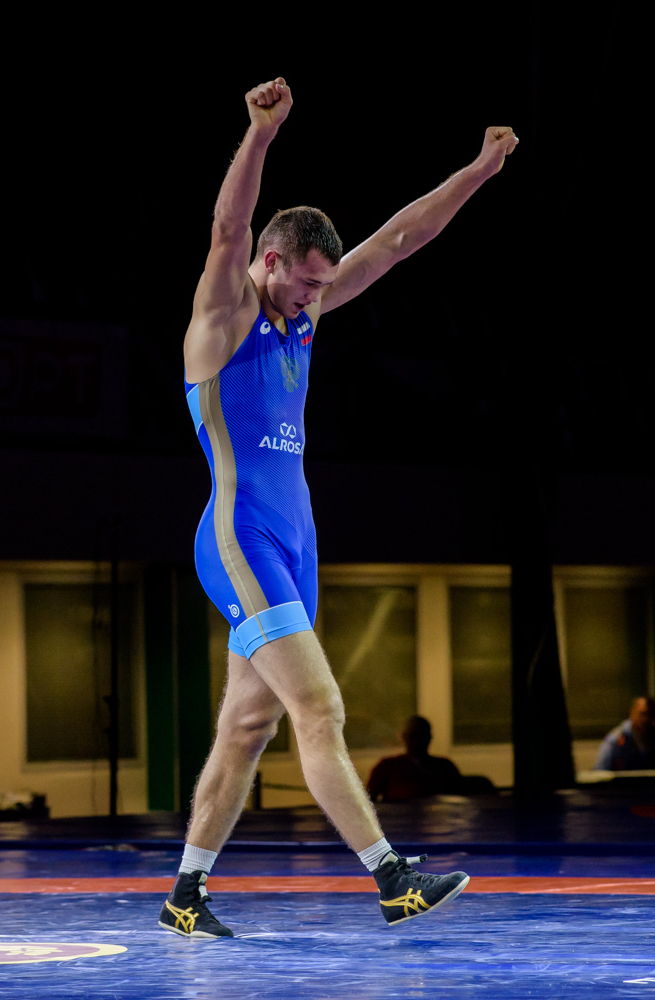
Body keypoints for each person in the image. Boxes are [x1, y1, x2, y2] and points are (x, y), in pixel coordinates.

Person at [159, 77, 518, 939]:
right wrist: (259, 137)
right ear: (271, 260)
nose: (315, 296)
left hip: (294, 543)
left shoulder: (303, 312)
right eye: (305, 283)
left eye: (323, 284)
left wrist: (477, 171)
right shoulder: (225, 312)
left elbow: (398, 241)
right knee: (319, 708)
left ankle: (184, 898)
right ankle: (392, 878)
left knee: (247, 725)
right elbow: (226, 228)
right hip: (241, 537)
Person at [368, 716, 463, 802]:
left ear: (429, 738)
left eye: (422, 735)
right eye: (413, 736)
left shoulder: (445, 767)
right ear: (404, 737)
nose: (417, 741)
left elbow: (461, 797)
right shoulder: (386, 767)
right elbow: (368, 801)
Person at [594, 696, 655, 771]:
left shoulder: (652, 734)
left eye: (650, 715)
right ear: (632, 713)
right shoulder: (616, 738)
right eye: (642, 714)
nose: (646, 719)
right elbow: (601, 770)